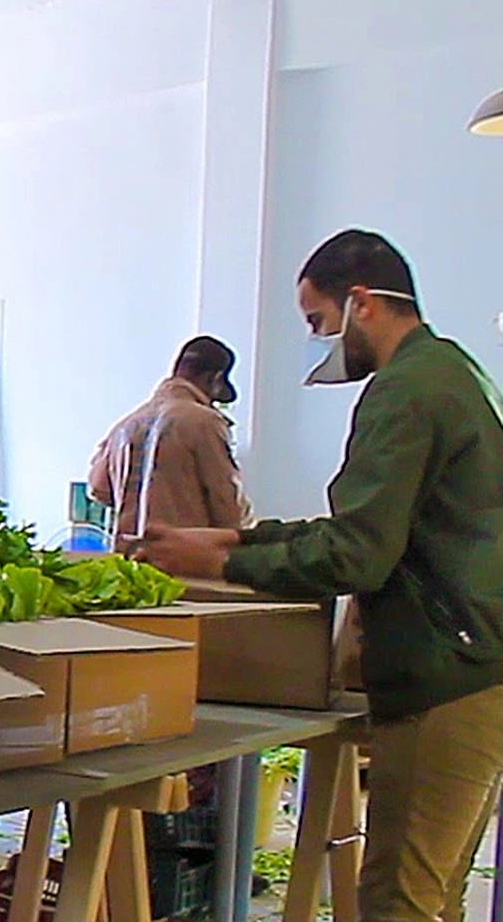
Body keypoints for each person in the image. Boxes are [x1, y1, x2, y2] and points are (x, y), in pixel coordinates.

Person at [137, 230, 503, 922]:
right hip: (477, 665)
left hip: (443, 674)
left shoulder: (404, 392)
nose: (316, 340)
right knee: (434, 896)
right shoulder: (454, 372)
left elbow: (356, 554)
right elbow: (372, 525)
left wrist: (217, 562)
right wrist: (235, 535)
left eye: (317, 322)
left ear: (360, 302)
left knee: (399, 901)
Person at [87, 335, 252, 545]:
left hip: (129, 561)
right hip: (184, 561)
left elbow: (98, 487)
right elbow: (228, 507)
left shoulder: (126, 425)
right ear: (215, 379)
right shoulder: (204, 422)